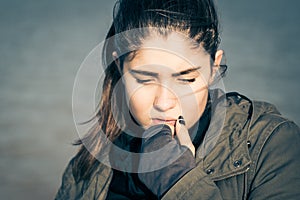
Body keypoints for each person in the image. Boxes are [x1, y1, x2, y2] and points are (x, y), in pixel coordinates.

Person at [55, 0, 300, 199]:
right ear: (120, 66)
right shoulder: (89, 166)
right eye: (145, 79)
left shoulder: (271, 145)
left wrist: (179, 181)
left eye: (185, 79)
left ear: (214, 68)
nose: (164, 102)